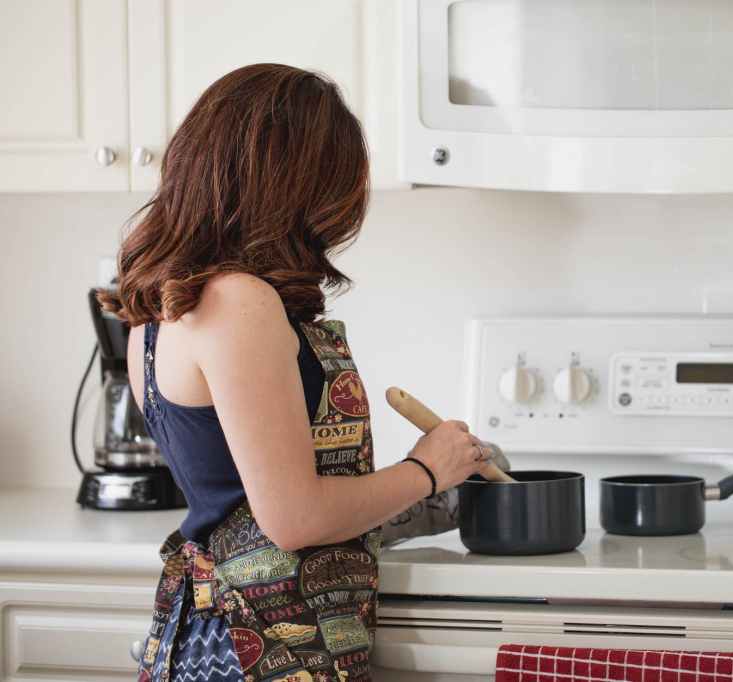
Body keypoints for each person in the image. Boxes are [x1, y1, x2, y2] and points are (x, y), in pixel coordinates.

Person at [98, 63, 501, 682]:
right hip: (255, 643)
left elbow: (239, 499)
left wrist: (409, 502)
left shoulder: (161, 311)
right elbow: (293, 518)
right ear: (295, 184)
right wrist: (426, 469)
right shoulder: (239, 301)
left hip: (213, 630)